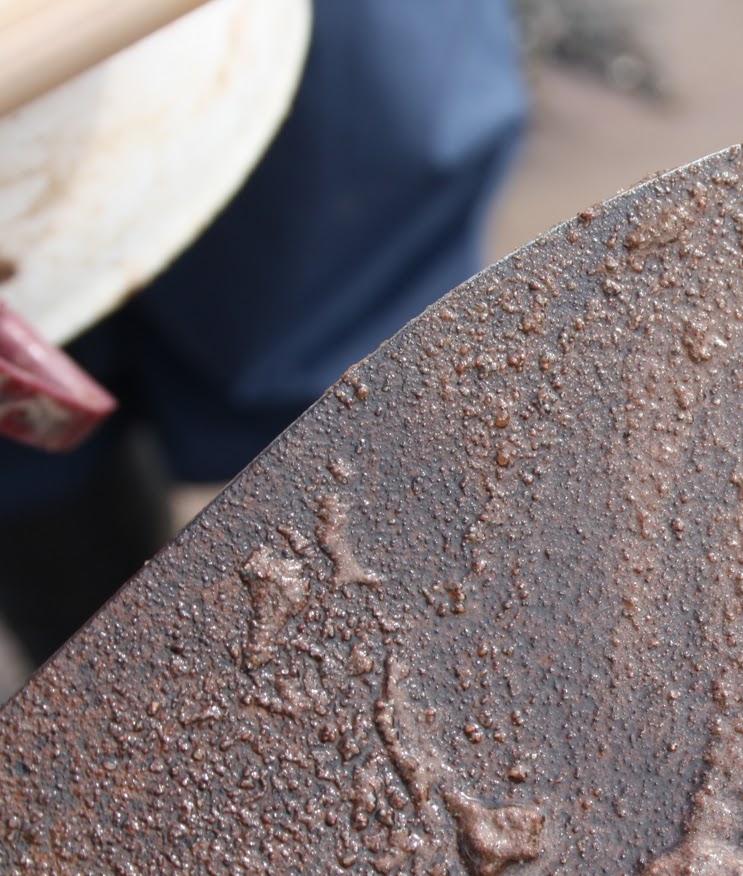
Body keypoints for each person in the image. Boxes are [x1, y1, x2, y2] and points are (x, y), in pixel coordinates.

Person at [0, 0, 529, 668]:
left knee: (373, 451)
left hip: (260, 51)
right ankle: (128, 677)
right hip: (22, 179)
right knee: (40, 487)